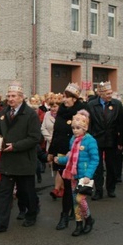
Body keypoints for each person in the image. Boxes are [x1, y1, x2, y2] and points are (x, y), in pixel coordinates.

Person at [0, 81, 42, 233]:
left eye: (13, 96)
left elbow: (35, 137)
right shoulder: (3, 113)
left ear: (21, 97)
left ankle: (31, 213)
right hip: (7, 161)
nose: (10, 99)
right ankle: (0, 223)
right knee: (4, 193)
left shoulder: (30, 114)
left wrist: (16, 146)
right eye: (8, 96)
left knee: (26, 192)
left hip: (24, 161)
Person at [48, 83, 88, 230]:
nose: (64, 100)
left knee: (72, 184)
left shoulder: (82, 113)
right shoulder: (61, 111)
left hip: (75, 154)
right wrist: (51, 152)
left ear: (75, 99)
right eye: (64, 97)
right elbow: (56, 133)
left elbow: (86, 135)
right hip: (60, 153)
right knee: (66, 183)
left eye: (67, 97)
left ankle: (69, 214)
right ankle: (68, 211)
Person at [55, 110, 99, 236]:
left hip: (84, 176)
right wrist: (61, 160)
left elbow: (95, 159)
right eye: (73, 128)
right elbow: (72, 156)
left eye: (78, 128)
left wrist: (88, 175)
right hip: (74, 174)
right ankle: (79, 224)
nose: (75, 130)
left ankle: (89, 219)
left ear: (85, 128)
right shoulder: (73, 140)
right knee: (75, 201)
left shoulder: (90, 141)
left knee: (80, 199)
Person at [86, 81, 123, 200]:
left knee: (111, 166)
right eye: (107, 93)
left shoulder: (117, 104)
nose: (109, 95)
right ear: (100, 93)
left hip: (112, 140)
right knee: (97, 166)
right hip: (96, 139)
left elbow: (121, 124)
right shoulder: (91, 105)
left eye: (110, 93)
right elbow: (89, 123)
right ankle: (98, 190)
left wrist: (120, 141)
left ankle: (111, 189)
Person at [41, 94, 64, 200]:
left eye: (56, 106)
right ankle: (61, 186)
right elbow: (43, 128)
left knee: (60, 165)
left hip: (61, 143)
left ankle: (58, 188)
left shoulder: (63, 115)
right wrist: (49, 138)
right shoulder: (47, 114)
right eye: (52, 106)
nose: (54, 108)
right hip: (50, 143)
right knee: (53, 166)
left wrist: (56, 139)